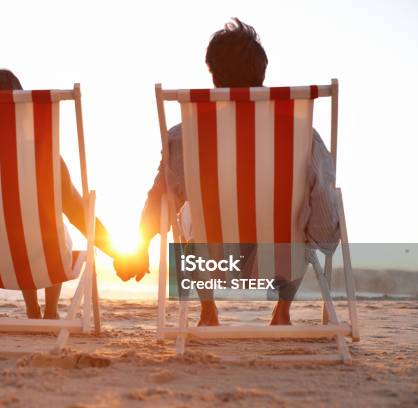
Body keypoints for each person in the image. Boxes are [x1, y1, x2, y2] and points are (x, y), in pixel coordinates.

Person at [114, 19, 340, 326]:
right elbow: (325, 215)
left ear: (214, 74)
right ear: (262, 73)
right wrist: (317, 245)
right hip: (280, 264)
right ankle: (282, 311)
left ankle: (208, 311)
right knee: (298, 219)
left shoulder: (185, 136)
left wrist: (140, 246)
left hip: (213, 260)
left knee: (187, 217)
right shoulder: (301, 135)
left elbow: (161, 198)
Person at [0, 69, 115, 319]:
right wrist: (118, 253)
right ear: (21, 105)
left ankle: (32, 308)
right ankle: (51, 310)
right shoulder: (39, 148)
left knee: (17, 228)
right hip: (42, 251)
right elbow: (74, 209)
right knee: (45, 228)